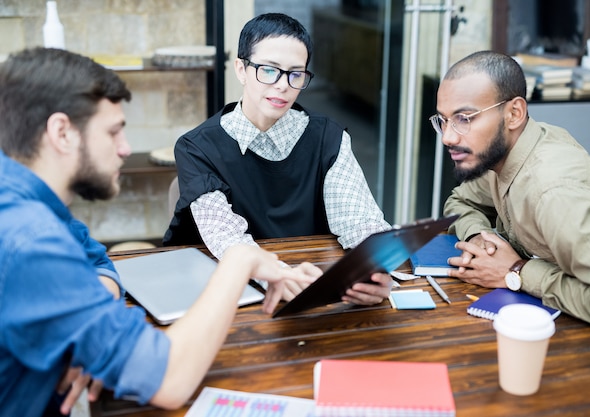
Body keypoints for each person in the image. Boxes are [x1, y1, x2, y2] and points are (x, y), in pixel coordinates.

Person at [0, 47, 314, 417]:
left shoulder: (25, 198)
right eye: (114, 132)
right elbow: (168, 380)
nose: (125, 149)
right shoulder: (29, 239)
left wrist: (85, 325)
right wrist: (239, 260)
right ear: (62, 132)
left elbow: (98, 259)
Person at [164, 13, 393, 305]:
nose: (283, 85)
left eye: (296, 74)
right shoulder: (196, 148)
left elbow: (360, 222)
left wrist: (375, 268)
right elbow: (226, 237)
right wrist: (279, 275)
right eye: (269, 70)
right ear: (241, 69)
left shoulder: (328, 138)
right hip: (235, 293)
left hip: (318, 288)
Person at [431, 50, 590, 331]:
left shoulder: (554, 193)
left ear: (514, 113)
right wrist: (479, 239)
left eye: (464, 118)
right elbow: (460, 201)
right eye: (443, 120)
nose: (448, 136)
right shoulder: (501, 154)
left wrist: (516, 272)